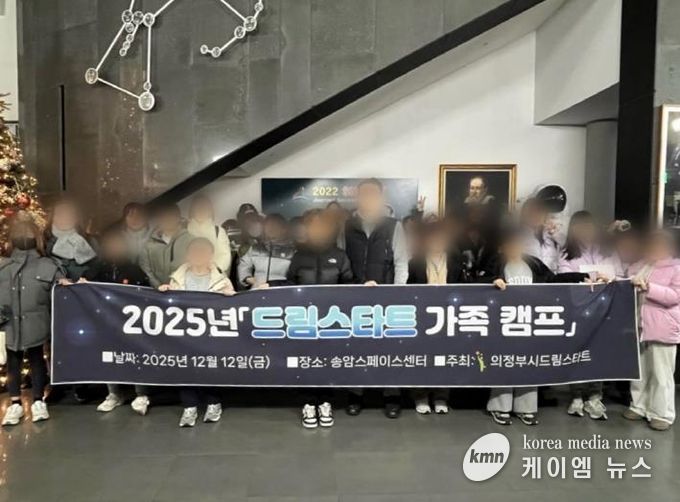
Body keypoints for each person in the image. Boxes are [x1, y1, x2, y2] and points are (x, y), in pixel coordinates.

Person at [486, 226, 587, 426]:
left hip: (530, 322)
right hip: (504, 322)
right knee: (504, 363)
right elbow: (475, 281)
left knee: (529, 363)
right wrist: (492, 281)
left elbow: (553, 280)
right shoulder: (495, 264)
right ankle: (500, 406)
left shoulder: (533, 263)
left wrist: (581, 277)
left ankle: (526, 408)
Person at [343, 178, 409, 418]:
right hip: (355, 296)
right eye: (364, 194)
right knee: (357, 348)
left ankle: (391, 396)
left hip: (387, 298)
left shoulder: (393, 226)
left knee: (389, 349)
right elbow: (342, 261)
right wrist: (350, 287)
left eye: (373, 194)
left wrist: (396, 293)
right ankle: (355, 394)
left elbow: (401, 262)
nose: (368, 199)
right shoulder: (347, 226)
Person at [287, 210, 353, 428]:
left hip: (331, 320)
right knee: (306, 362)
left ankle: (325, 402)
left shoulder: (340, 255)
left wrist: (366, 286)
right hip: (304, 320)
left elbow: (349, 284)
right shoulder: (299, 255)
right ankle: (308, 402)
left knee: (326, 362)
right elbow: (289, 285)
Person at [159, 237, 235, 427]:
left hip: (211, 335)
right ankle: (189, 406)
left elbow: (233, 308)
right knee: (185, 369)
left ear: (211, 255)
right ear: (188, 255)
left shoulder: (222, 280)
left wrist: (230, 297)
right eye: (195, 252)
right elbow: (168, 306)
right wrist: (164, 292)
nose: (199, 256)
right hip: (184, 335)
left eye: (203, 252)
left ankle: (213, 403)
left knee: (211, 368)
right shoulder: (176, 278)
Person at [1, 218, 65, 426]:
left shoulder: (47, 265)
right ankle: (15, 403)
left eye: (28, 234)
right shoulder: (3, 266)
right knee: (13, 362)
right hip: (9, 325)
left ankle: (38, 400)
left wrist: (71, 284)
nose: (24, 237)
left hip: (37, 324)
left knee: (37, 359)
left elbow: (62, 289)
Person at [83, 229, 152, 415]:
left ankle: (141, 394)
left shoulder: (133, 269)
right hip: (106, 321)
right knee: (109, 356)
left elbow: (146, 293)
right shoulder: (98, 268)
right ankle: (114, 394)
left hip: (131, 322)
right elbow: (84, 285)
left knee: (135, 356)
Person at [407, 220, 466, 414]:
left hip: (448, 317)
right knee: (422, 357)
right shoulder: (415, 263)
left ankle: (441, 397)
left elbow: (465, 289)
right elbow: (408, 290)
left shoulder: (456, 263)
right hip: (422, 317)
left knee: (444, 358)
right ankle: (421, 396)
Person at [624, 231, 680, 431]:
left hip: (663, 328)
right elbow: (626, 281)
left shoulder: (676, 268)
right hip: (641, 326)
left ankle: (662, 413)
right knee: (640, 371)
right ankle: (639, 406)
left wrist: (649, 287)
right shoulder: (642, 265)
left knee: (661, 374)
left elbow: (674, 296)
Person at [558, 211, 610, 419]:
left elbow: (618, 274)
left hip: (604, 310)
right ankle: (577, 396)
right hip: (578, 311)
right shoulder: (566, 254)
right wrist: (584, 279)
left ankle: (595, 397)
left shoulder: (605, 250)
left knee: (599, 354)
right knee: (578, 353)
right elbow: (563, 278)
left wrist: (608, 278)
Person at [140, 203, 192, 288]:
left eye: (171, 216)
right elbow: (146, 269)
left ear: (178, 218)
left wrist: (177, 286)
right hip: (156, 291)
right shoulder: (149, 243)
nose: (167, 220)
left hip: (183, 290)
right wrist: (158, 286)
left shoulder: (191, 240)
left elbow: (196, 266)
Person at [45, 198, 97, 282]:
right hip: (52, 286)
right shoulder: (44, 240)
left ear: (76, 218)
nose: (65, 218)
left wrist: (86, 278)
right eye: (60, 214)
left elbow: (98, 267)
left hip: (82, 286)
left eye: (69, 214)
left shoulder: (89, 241)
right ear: (52, 218)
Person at [238, 213, 294, 289]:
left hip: (282, 290)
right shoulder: (256, 248)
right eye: (268, 226)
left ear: (283, 229)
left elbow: (294, 278)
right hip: (257, 289)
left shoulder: (292, 251)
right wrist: (249, 279)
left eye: (275, 225)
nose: (271, 228)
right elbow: (244, 265)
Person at [187, 195, 232, 274]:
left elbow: (225, 255)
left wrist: (214, 270)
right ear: (192, 211)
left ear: (210, 211)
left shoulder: (218, 231)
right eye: (198, 208)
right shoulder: (185, 230)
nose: (201, 211)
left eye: (204, 208)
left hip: (213, 275)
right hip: (188, 273)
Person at [520, 198, 562, 273]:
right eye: (532, 212)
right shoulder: (518, 238)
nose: (537, 215)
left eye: (540, 211)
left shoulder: (553, 240)